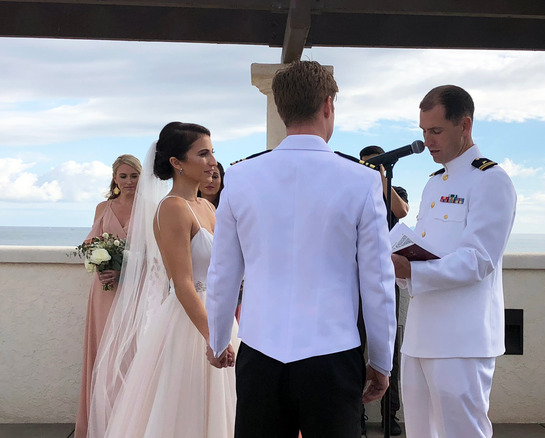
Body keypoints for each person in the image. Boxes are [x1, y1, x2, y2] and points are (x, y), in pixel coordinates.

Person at [206, 60, 397, 438]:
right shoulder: (361, 180)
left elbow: (223, 271)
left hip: (260, 353)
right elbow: (377, 281)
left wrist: (216, 340)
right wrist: (381, 360)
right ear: (328, 105)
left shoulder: (241, 177)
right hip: (333, 356)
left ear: (280, 108)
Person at [91, 122, 239, 438]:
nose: (212, 161)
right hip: (191, 323)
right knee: (185, 414)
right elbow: (183, 282)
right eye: (203, 153)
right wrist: (214, 337)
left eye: (213, 152)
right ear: (177, 163)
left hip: (219, 317)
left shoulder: (206, 207)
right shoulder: (173, 208)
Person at [391, 85, 517, 438]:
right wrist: (400, 265)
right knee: (419, 432)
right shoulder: (434, 183)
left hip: (462, 339)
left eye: (436, 131)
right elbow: (426, 247)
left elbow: (479, 260)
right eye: (423, 132)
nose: (428, 141)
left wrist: (411, 269)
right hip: (420, 334)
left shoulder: (490, 180)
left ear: (464, 125)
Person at [75, 154, 141, 438]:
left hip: (135, 291)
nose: (128, 182)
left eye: (133, 176)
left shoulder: (151, 208)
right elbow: (90, 245)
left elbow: (159, 254)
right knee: (104, 352)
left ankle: (130, 424)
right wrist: (99, 262)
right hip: (104, 293)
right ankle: (102, 422)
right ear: (114, 178)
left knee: (131, 353)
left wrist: (125, 267)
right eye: (122, 176)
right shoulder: (103, 207)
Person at [358, 145, 408, 436]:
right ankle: (358, 415)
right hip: (357, 281)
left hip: (386, 279)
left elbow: (401, 211)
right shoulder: (357, 191)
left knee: (390, 352)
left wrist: (381, 176)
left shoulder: (394, 189)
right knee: (355, 348)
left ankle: (392, 416)